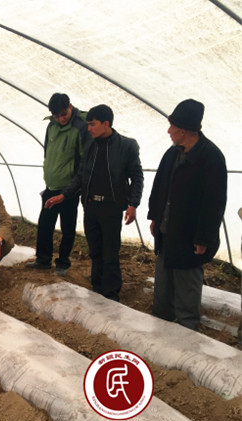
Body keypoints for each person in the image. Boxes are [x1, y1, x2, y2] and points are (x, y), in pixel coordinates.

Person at [46, 105, 143, 302]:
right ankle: (97, 288)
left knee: (110, 252)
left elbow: (137, 177)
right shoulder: (90, 145)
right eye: (88, 124)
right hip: (90, 206)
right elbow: (81, 175)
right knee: (95, 250)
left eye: (92, 124)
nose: (89, 128)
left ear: (106, 124)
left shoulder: (126, 146)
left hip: (111, 207)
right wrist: (64, 195)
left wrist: (133, 204)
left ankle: (111, 293)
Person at [147, 99, 227, 330]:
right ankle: (161, 323)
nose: (169, 131)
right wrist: (155, 217)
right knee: (163, 286)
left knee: (187, 286)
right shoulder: (171, 154)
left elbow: (214, 202)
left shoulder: (211, 158)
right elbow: (159, 187)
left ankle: (187, 328)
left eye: (172, 127)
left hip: (189, 237)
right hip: (167, 231)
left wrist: (204, 238)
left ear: (182, 130)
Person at [26, 93, 93, 277]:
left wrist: (73, 186)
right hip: (51, 186)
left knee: (67, 227)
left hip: (69, 189)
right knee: (45, 225)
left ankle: (63, 262)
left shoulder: (81, 127)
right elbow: (48, 152)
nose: (61, 119)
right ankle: (43, 259)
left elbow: (83, 161)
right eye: (56, 116)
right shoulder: (51, 126)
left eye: (64, 114)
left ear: (70, 107)